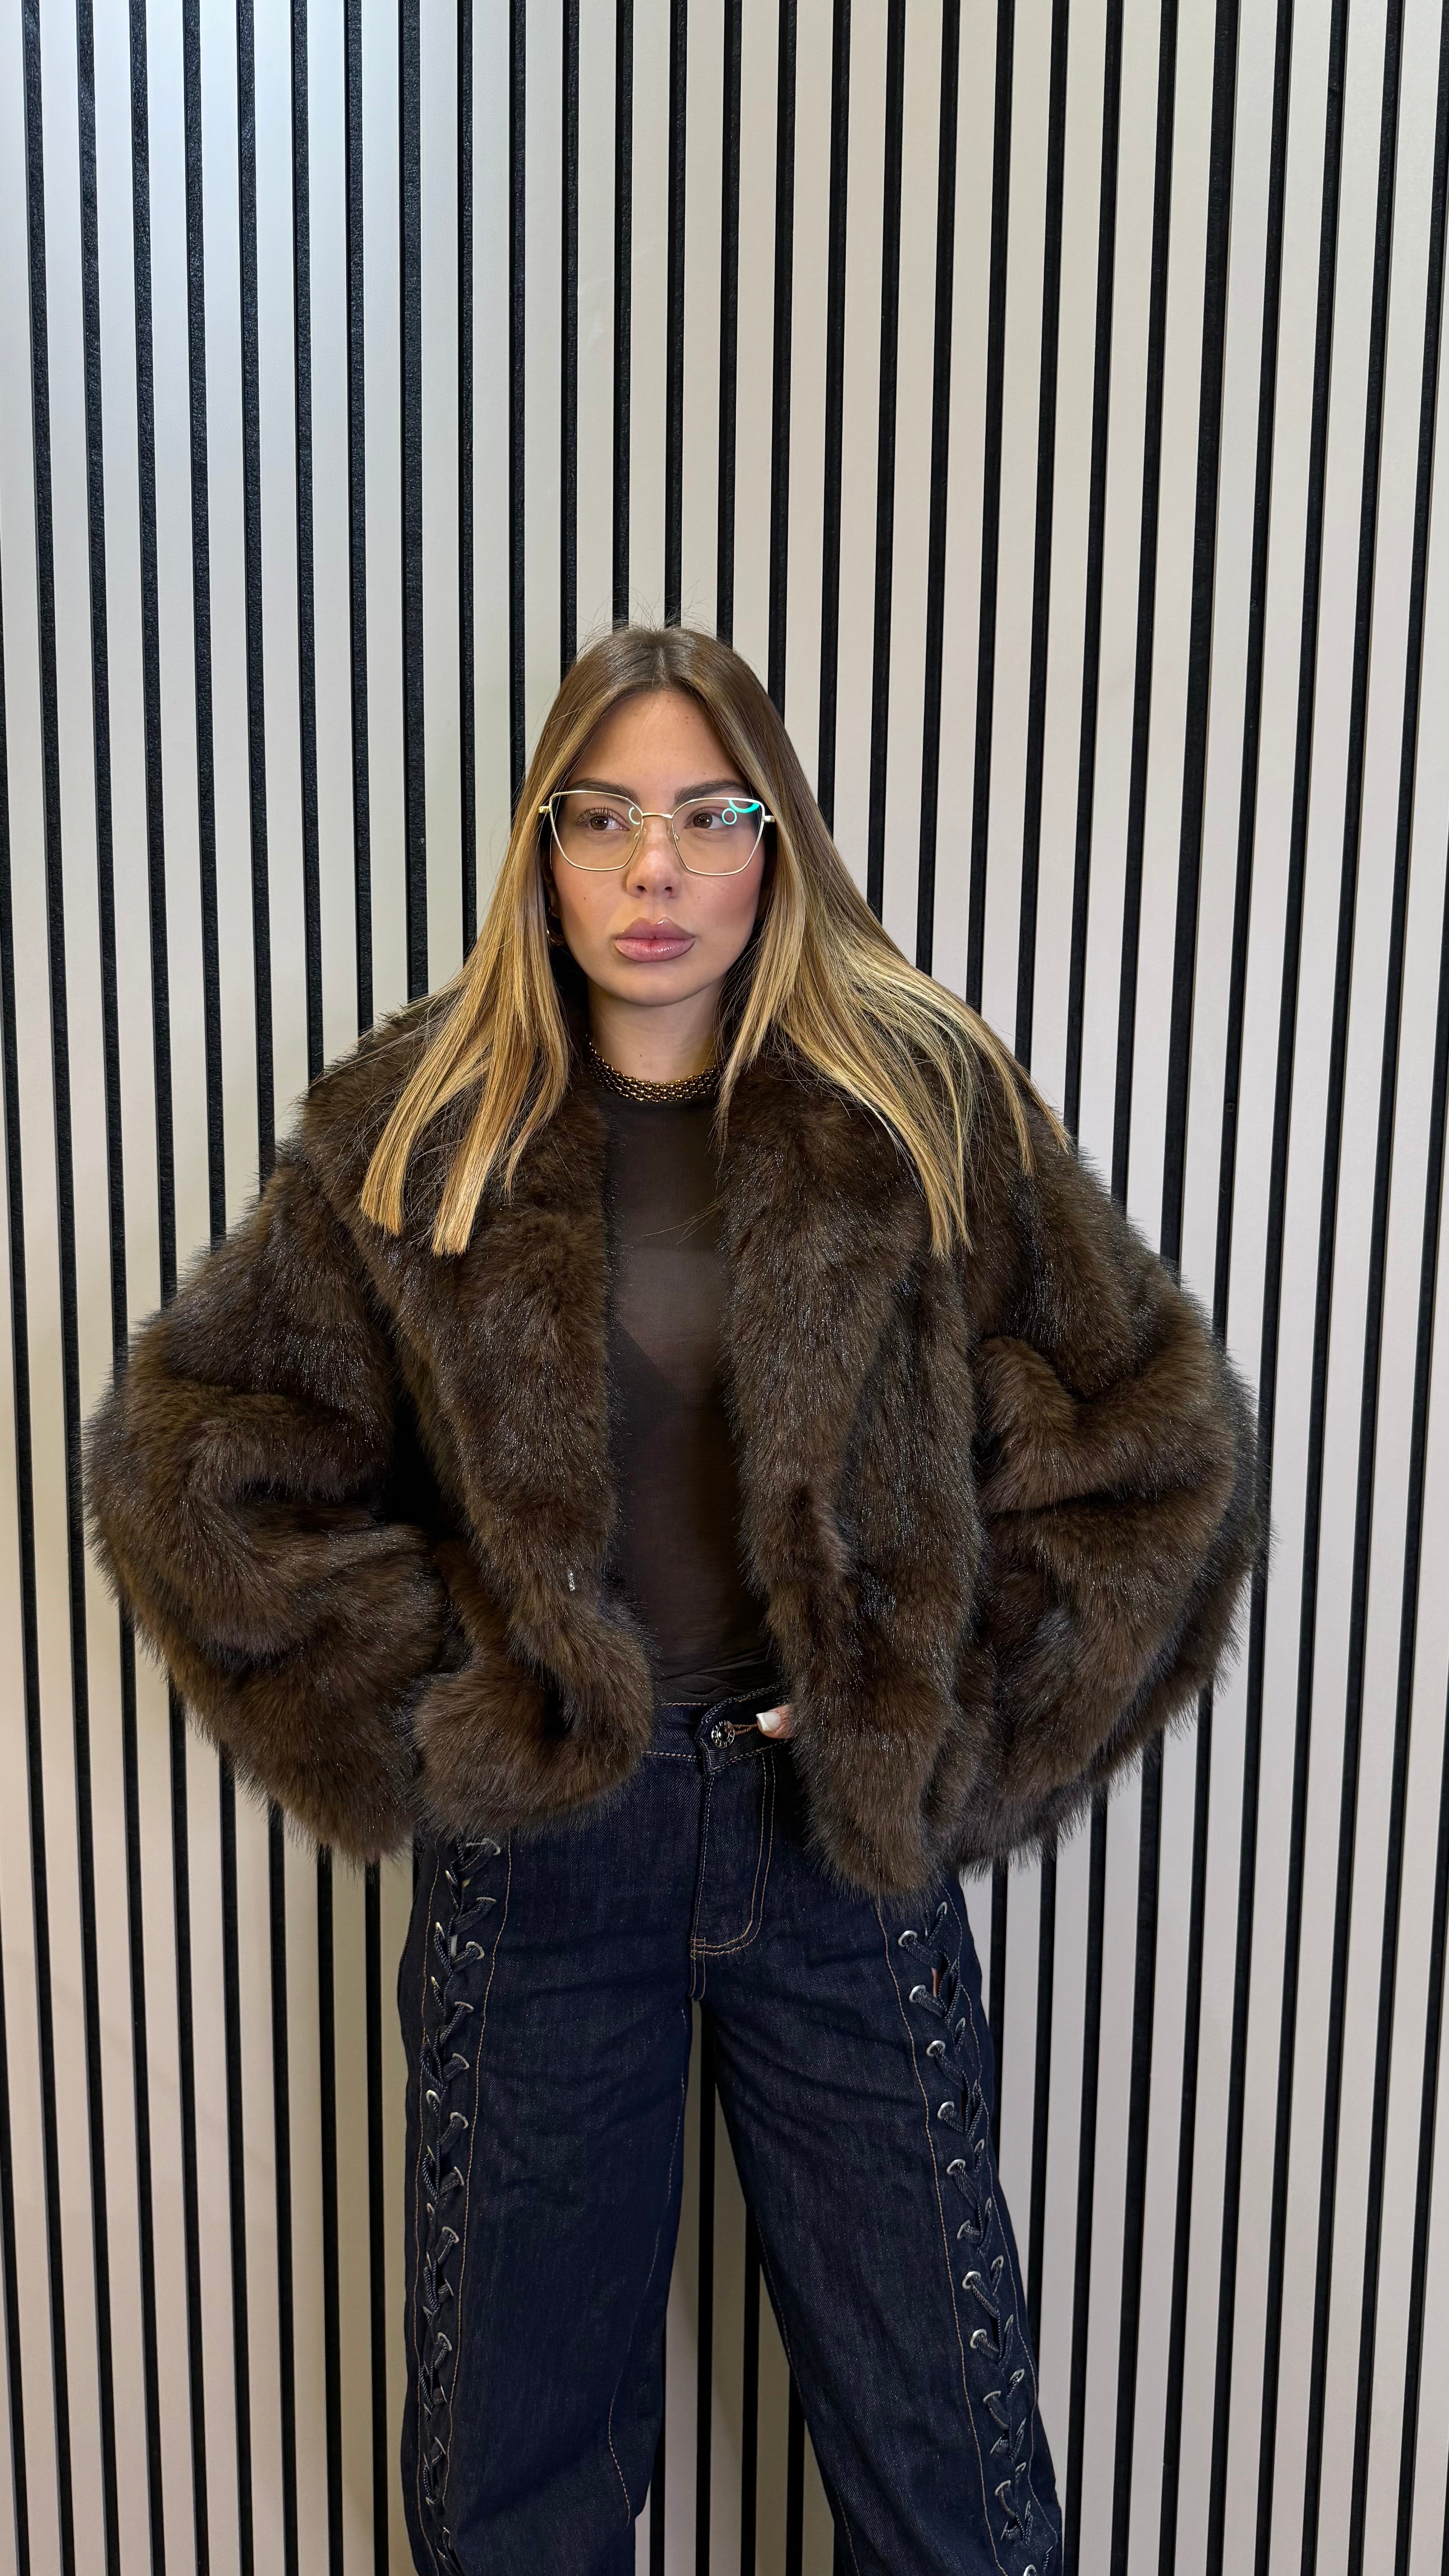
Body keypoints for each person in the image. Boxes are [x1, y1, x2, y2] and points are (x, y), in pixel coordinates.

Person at [84, 623, 1259, 2576]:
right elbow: (194, 1460)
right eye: (604, 817)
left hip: (838, 1859)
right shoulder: (419, 1127)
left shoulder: (920, 1106)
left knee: (952, 2485)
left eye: (711, 817)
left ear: (777, 840)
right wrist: (455, 1690)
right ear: (541, 849)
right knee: (517, 2495)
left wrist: (940, 1713)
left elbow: (1155, 1446)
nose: (656, 869)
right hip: (550, 1864)